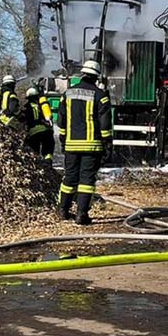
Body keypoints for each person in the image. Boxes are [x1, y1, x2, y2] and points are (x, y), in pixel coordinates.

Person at [58, 60, 112, 225]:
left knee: (69, 178)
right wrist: (107, 143)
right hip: (92, 146)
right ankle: (81, 215)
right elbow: (105, 124)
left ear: (83, 73)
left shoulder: (67, 94)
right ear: (96, 77)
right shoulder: (100, 96)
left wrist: (63, 139)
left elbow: (61, 120)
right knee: (86, 181)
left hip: (71, 145)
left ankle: (63, 210)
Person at [23, 86, 55, 161]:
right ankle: (48, 164)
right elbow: (50, 116)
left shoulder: (27, 107)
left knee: (34, 152)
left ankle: (37, 167)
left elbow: (24, 120)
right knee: (48, 151)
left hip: (33, 133)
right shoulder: (43, 105)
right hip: (46, 131)